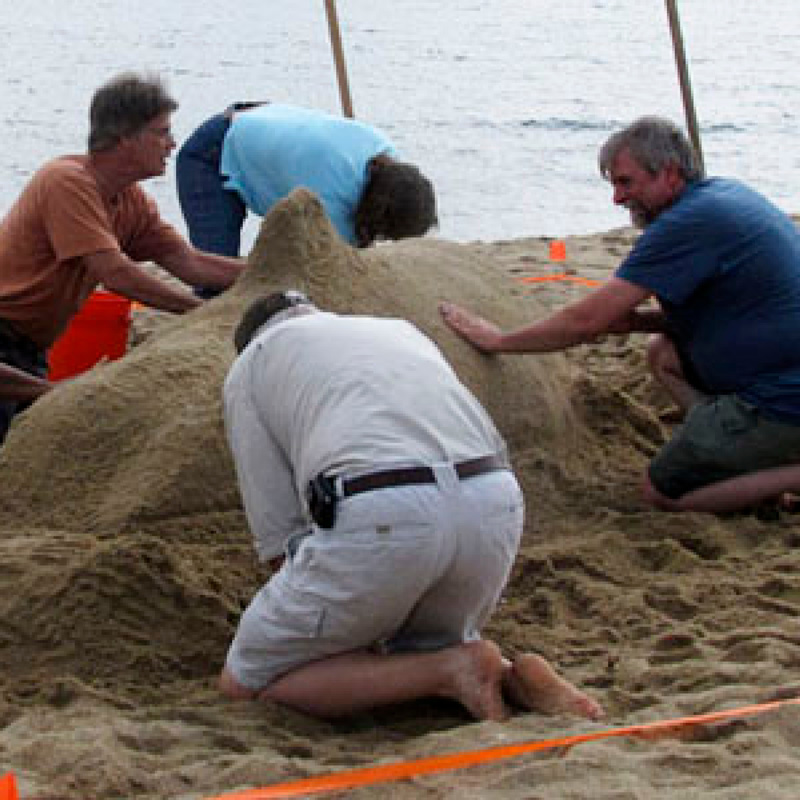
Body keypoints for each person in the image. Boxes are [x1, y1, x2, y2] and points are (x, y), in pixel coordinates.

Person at [218, 290, 602, 722]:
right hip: (495, 501)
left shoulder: (250, 366)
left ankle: (451, 669)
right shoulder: (397, 331)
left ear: (250, 340)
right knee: (412, 641)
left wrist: (313, 619)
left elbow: (280, 535)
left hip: (384, 509)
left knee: (248, 680)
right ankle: (511, 677)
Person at [440, 115, 800, 515]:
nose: (617, 198)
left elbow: (585, 321)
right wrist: (638, 320)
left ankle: (781, 469)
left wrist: (500, 341)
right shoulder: (722, 195)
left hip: (781, 398)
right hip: (776, 365)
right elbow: (739, 308)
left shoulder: (685, 224)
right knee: (662, 353)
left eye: (626, 183)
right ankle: (742, 464)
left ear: (670, 174)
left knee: (662, 492)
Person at [0, 71, 244, 443]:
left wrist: (268, 269)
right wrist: (202, 314)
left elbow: (189, 263)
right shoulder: (66, 181)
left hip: (32, 346)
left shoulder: (131, 200)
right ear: (126, 138)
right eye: (162, 132)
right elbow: (114, 273)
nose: (173, 144)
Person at [176, 103, 437, 296]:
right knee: (215, 278)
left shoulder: (388, 154)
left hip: (263, 121)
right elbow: (326, 267)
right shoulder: (328, 195)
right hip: (213, 152)